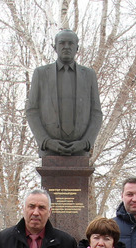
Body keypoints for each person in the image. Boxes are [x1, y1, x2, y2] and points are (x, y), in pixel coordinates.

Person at [25, 29, 102, 157]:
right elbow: (32, 111)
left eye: (71, 43)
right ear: (55, 47)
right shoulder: (41, 74)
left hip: (80, 151)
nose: (66, 47)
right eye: (62, 43)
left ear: (77, 48)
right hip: (50, 151)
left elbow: (96, 113)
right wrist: (46, 141)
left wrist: (85, 143)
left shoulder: (89, 75)